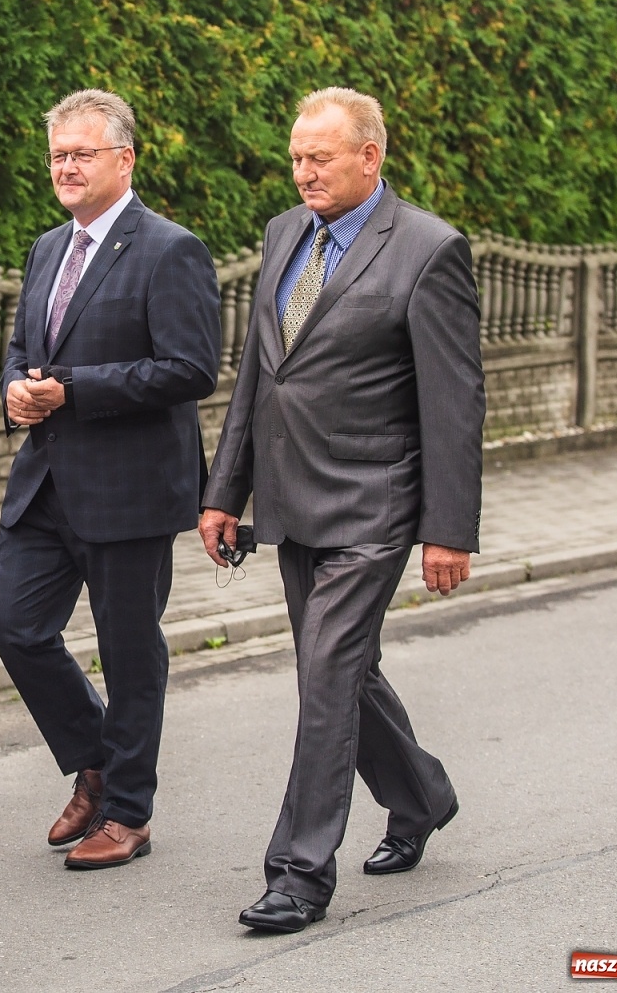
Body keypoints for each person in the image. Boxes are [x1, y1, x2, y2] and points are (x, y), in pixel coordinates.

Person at [200, 87, 485, 934]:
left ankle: (298, 873)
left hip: (376, 502)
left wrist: (448, 529)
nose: (303, 172)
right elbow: (260, 375)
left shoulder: (430, 250)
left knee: (325, 676)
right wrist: (224, 492)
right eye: (295, 157)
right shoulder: (285, 234)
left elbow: (454, 401)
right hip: (291, 499)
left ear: (371, 157)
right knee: (344, 673)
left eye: (319, 157)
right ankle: (422, 795)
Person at [0, 89, 221, 870]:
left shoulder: (169, 248)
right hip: (45, 480)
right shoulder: (47, 247)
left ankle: (127, 812)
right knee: (13, 627)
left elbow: (190, 368)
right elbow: (24, 347)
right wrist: (17, 384)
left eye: (82, 153)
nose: (66, 167)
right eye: (57, 155)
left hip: (131, 488)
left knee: (128, 653)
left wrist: (76, 390)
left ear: (125, 159)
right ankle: (95, 759)